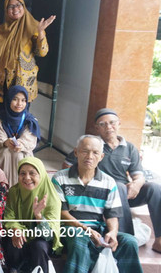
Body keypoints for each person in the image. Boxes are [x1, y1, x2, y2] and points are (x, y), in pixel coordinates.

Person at [63, 108, 161, 252]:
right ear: (97, 128)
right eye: (103, 124)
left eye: (112, 123)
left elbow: (138, 174)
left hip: (126, 194)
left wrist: (136, 184)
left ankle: (159, 239)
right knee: (119, 186)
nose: (109, 127)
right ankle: (126, 237)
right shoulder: (92, 145)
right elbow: (67, 165)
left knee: (154, 188)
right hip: (101, 194)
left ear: (119, 124)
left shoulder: (129, 148)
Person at [52, 135, 143, 273]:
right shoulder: (60, 178)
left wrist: (112, 232)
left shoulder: (109, 182)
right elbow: (62, 213)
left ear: (101, 156)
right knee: (79, 238)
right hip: (70, 229)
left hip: (98, 230)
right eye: (85, 151)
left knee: (129, 242)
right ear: (76, 153)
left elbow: (112, 215)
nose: (89, 156)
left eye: (95, 153)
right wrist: (86, 230)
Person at [0, 0, 56, 105]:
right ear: (6, 10)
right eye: (10, 6)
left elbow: (42, 52)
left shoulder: (34, 27)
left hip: (22, 82)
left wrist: (40, 32)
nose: (15, 9)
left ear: (24, 6)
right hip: (1, 82)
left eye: (18, 5)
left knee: (18, 118)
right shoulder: (1, 29)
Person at [3, 157, 62, 273]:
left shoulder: (51, 196)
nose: (27, 178)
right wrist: (16, 228)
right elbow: (9, 216)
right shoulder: (14, 192)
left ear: (41, 175)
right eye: (22, 173)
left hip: (42, 238)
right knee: (13, 241)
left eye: (32, 173)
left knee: (39, 246)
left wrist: (39, 216)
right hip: (21, 236)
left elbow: (49, 234)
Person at [0, 85, 40, 186]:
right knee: (5, 153)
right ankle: (1, 187)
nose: (19, 104)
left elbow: (29, 140)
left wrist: (20, 144)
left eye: (23, 100)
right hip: (3, 150)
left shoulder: (30, 120)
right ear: (8, 100)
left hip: (23, 151)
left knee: (19, 155)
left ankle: (22, 188)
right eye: (15, 99)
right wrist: (5, 142)